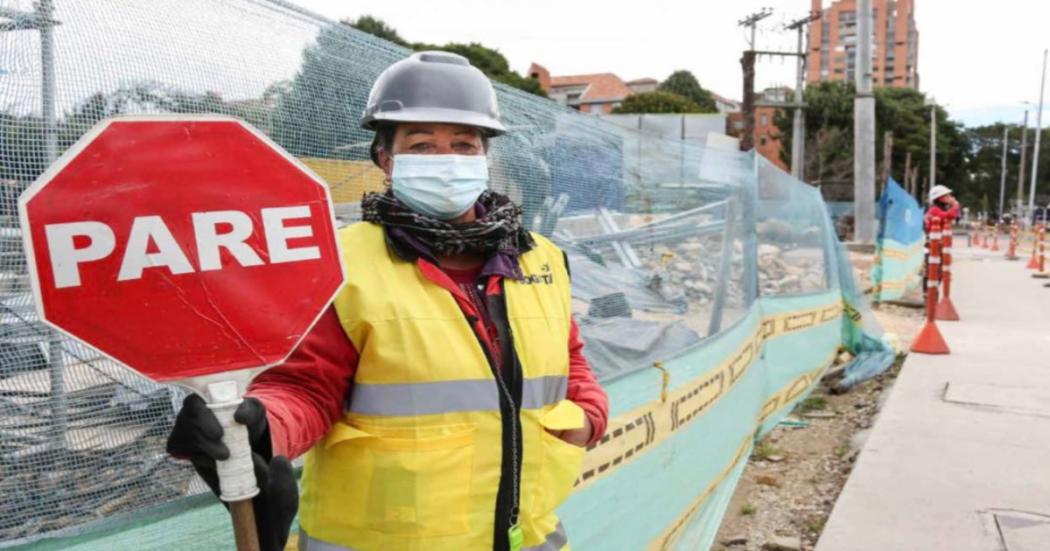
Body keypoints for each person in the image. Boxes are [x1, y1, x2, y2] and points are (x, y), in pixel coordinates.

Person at [166, 50, 609, 551]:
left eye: (464, 144)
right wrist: (262, 428)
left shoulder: (538, 258)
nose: (448, 161)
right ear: (385, 159)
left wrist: (589, 416)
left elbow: (569, 360)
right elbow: (306, 390)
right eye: (423, 145)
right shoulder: (340, 266)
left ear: (486, 157)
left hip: (530, 537)